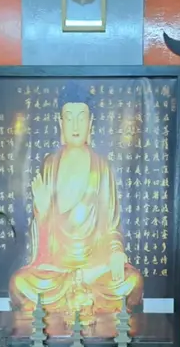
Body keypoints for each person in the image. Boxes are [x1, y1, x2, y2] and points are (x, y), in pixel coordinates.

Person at [9, 81, 143, 320]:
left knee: (132, 283)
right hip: (57, 268)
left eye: (81, 117)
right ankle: (77, 293)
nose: (75, 124)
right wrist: (42, 211)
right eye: (69, 118)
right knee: (20, 284)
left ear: (90, 123)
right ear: (60, 123)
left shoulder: (102, 167)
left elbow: (111, 227)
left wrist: (115, 253)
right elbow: (43, 236)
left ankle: (80, 291)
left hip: (95, 268)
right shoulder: (50, 165)